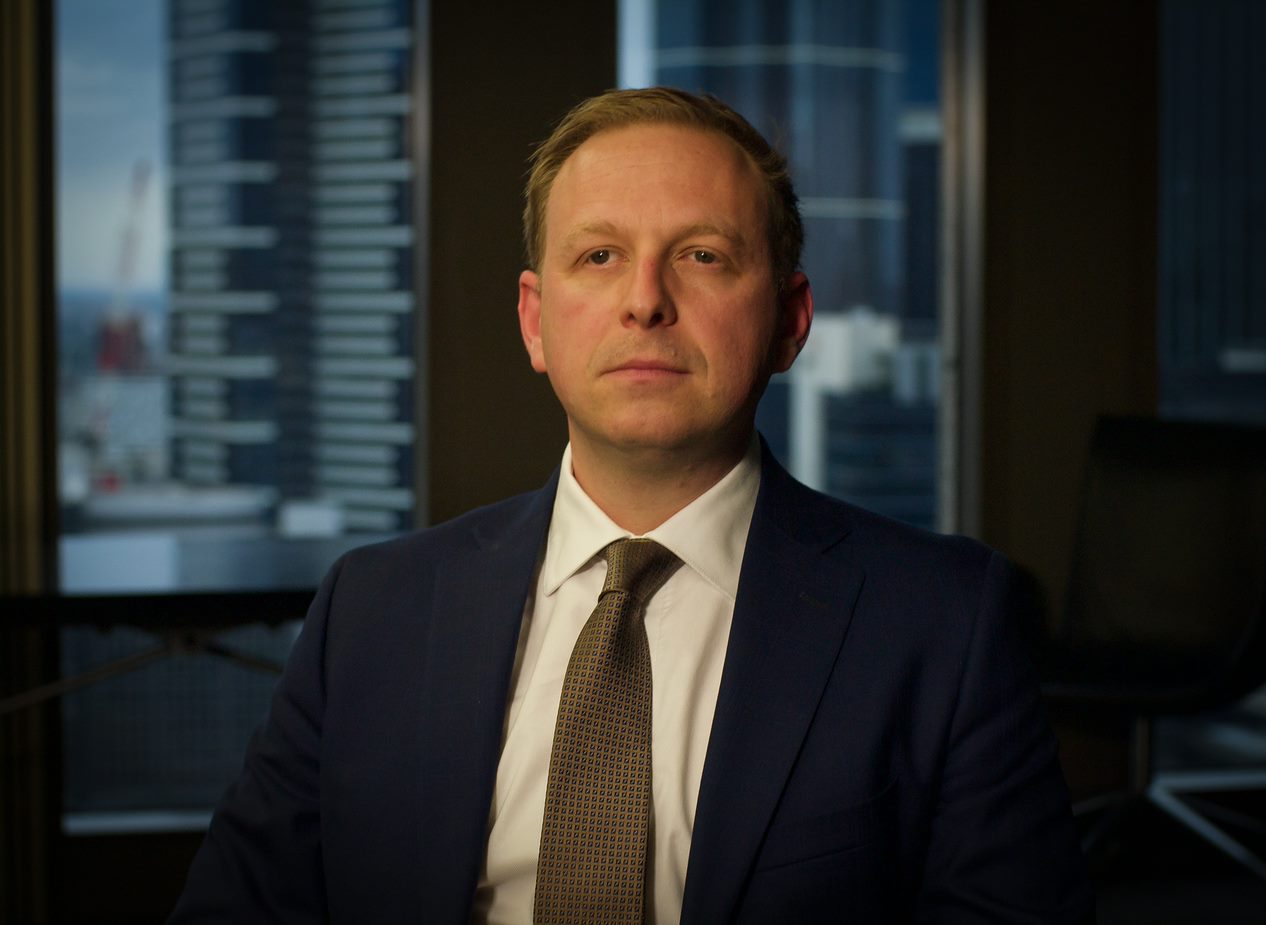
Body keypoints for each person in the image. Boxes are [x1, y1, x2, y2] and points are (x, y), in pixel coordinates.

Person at [170, 87, 1094, 924]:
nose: (645, 301)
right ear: (536, 321)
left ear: (788, 320)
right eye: (600, 255)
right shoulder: (371, 610)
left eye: (702, 255)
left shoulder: (943, 622)